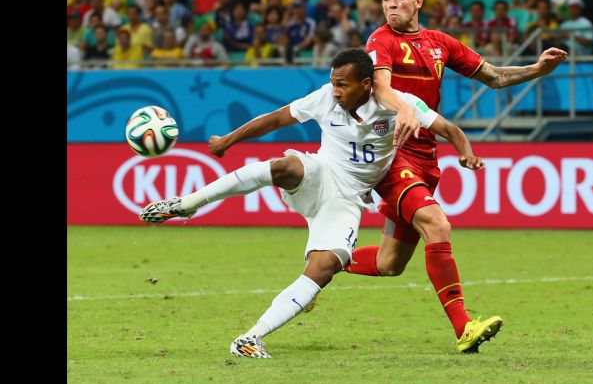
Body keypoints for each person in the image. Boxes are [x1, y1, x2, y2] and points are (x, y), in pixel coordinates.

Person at [138, 48, 485, 358]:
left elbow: (450, 129)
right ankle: (186, 204)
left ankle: (250, 338)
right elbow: (275, 118)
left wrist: (466, 153)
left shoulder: (400, 104)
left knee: (323, 268)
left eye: (343, 85)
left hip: (347, 199)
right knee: (285, 166)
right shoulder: (325, 98)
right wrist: (230, 139)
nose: (336, 91)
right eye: (333, 82)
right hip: (321, 173)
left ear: (366, 84)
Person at [344, 0, 568, 353]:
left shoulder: (440, 43)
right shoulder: (379, 40)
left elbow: (494, 77)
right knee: (437, 224)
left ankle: (326, 261)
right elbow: (380, 86)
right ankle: (464, 327)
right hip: (393, 154)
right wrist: (404, 109)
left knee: (389, 263)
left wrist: (537, 69)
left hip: (426, 158)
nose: (391, 4)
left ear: (418, 1)